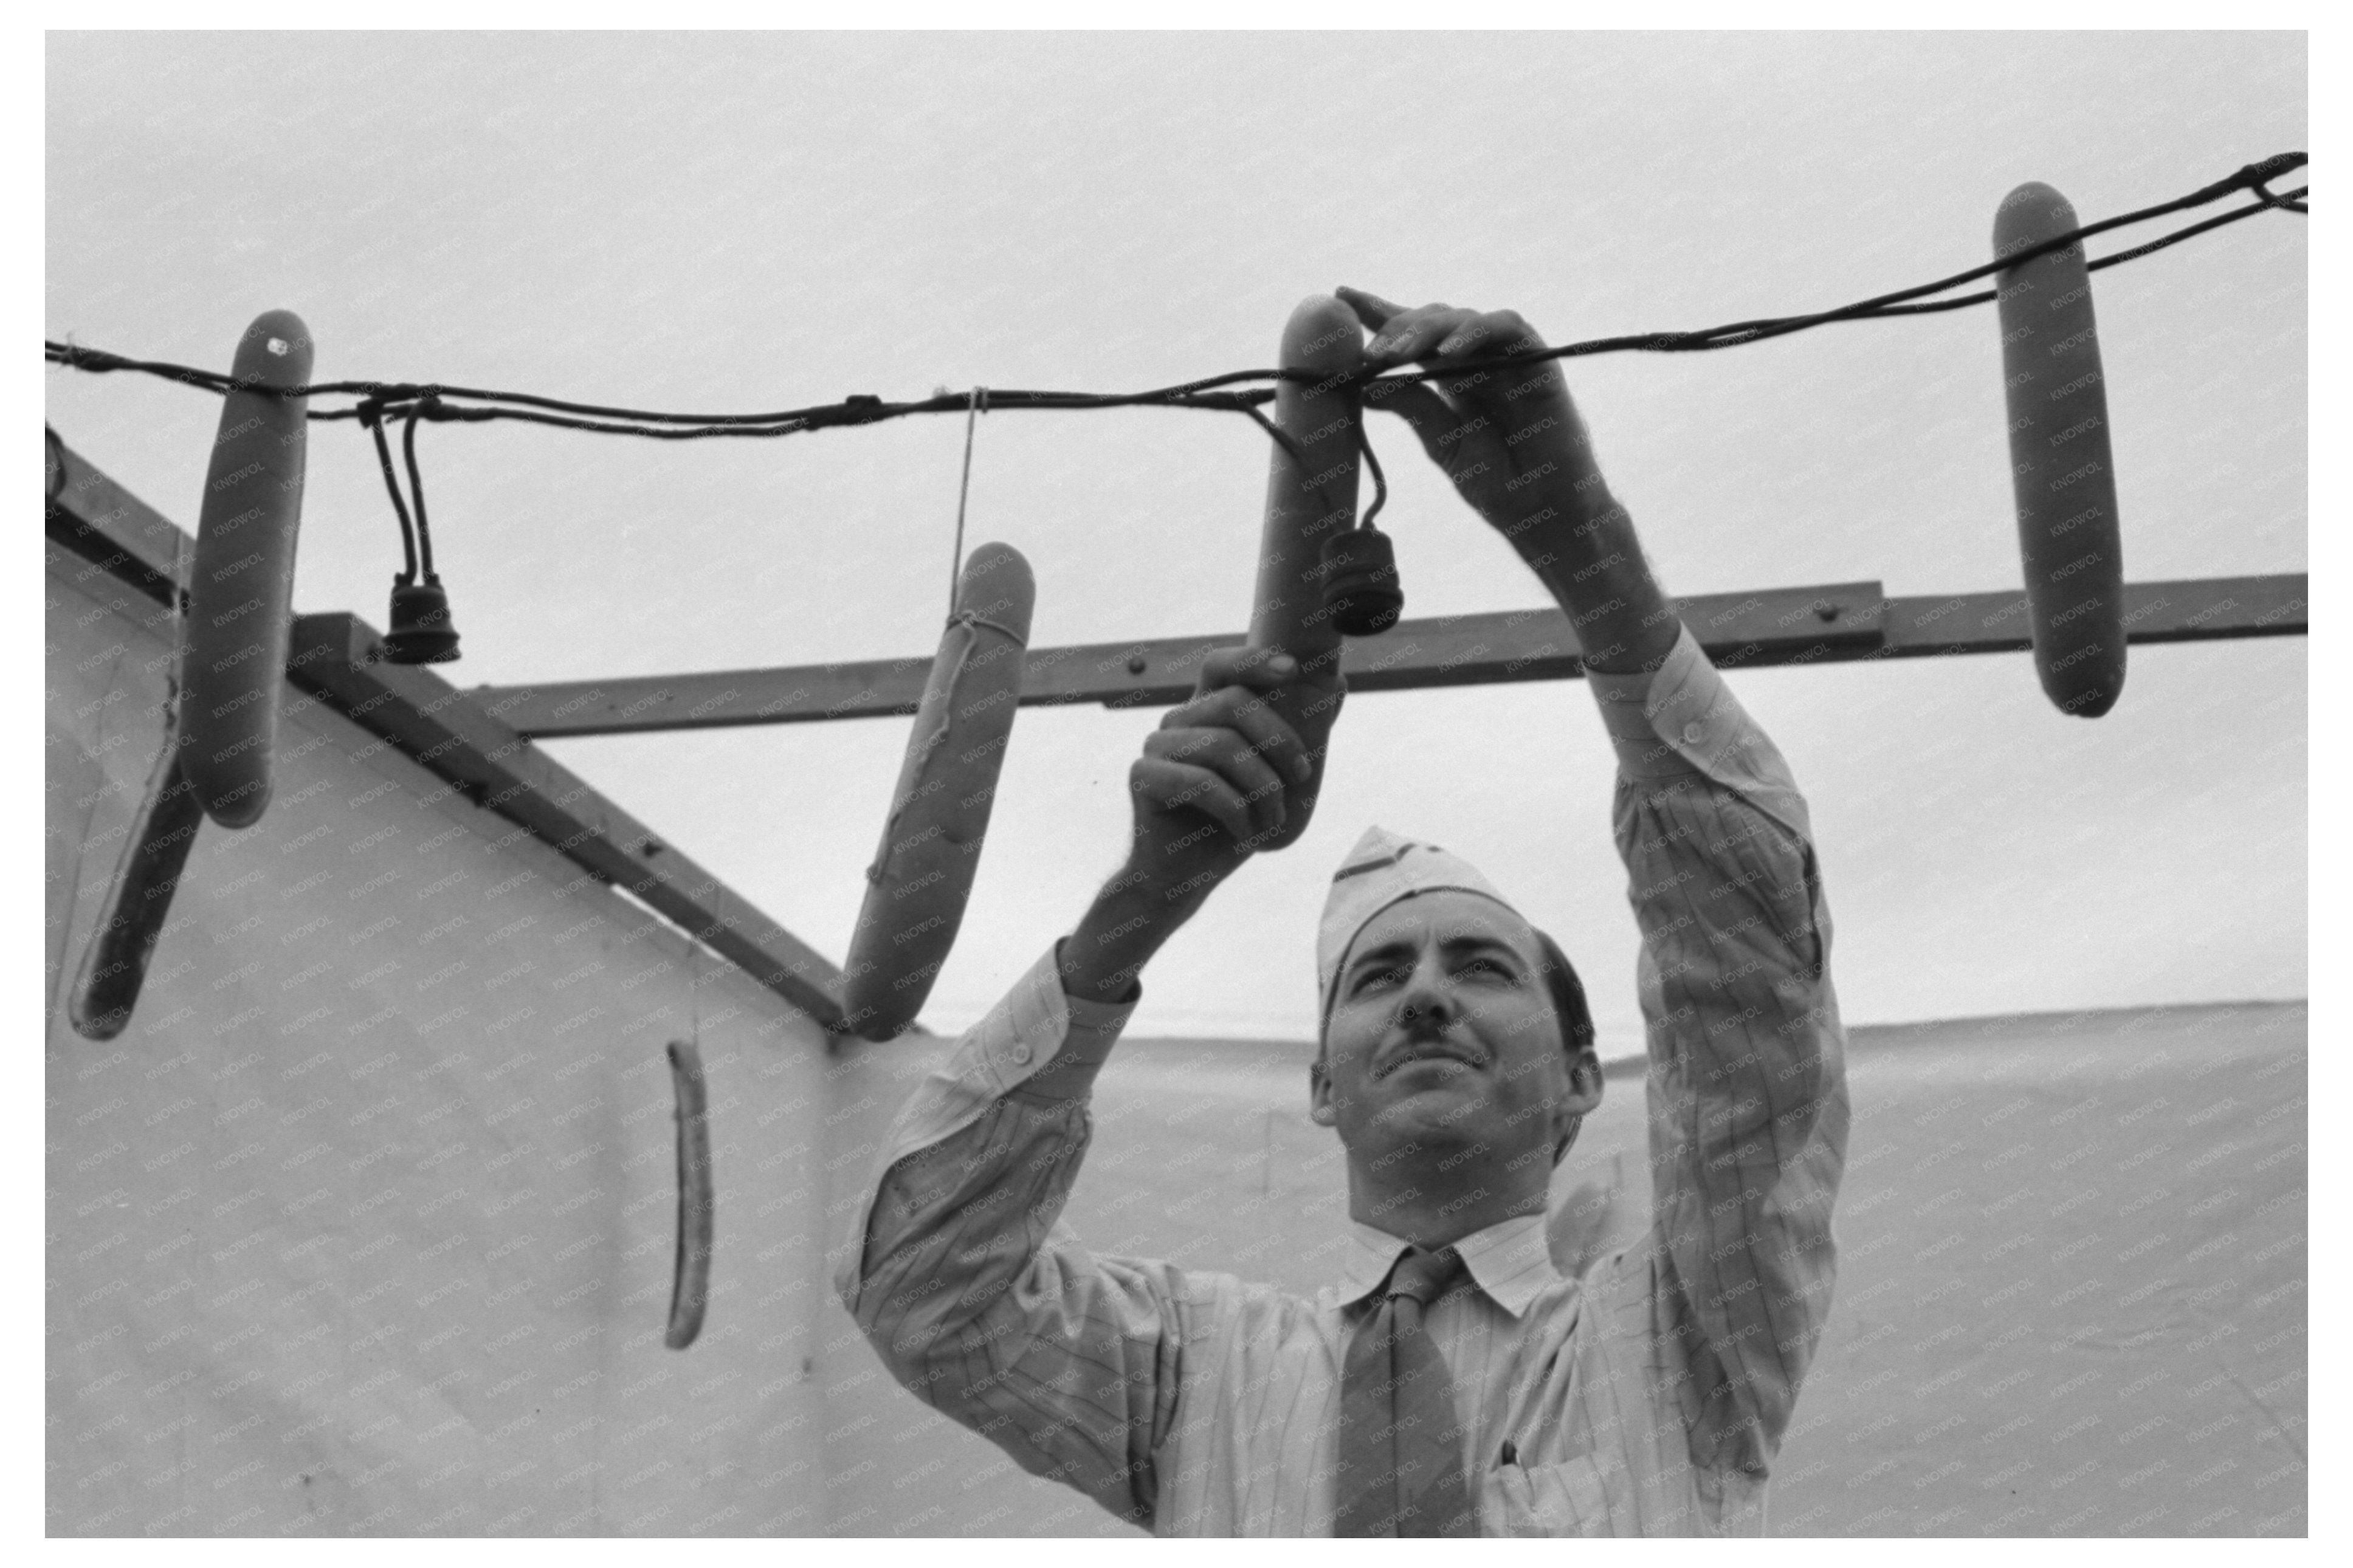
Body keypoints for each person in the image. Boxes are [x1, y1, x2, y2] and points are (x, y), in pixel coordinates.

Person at [832, 291, 1850, 1538]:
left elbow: (1751, 991)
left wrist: (1589, 553)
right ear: (1323, 1087)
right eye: (1378, 978)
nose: (1424, 995)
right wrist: (1140, 904)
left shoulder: (1685, 1339)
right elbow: (919, 1294)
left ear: (1582, 1079)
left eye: (1480, 967)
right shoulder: (1196, 1372)